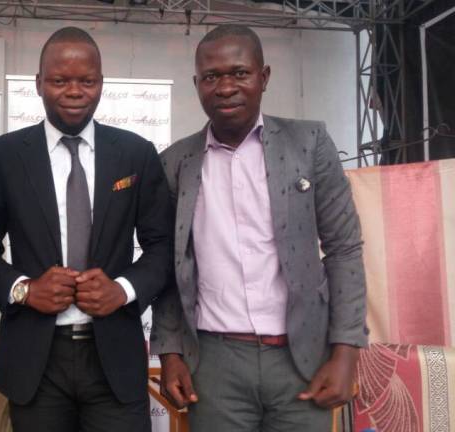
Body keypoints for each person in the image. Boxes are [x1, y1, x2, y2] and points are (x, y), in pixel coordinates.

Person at [150, 24, 368, 431]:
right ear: (197, 85)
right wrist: (170, 352)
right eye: (211, 77)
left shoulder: (309, 143)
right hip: (214, 363)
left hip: (302, 361)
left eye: (239, 73)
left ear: (263, 77)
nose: (225, 87)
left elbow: (344, 249)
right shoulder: (175, 162)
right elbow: (169, 265)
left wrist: (346, 350)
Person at [0, 26, 172, 432]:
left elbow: (162, 246)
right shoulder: (4, 156)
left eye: (87, 81)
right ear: (38, 83)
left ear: (101, 83)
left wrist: (123, 289)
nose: (74, 91)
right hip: (35, 363)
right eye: (59, 80)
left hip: (114, 359)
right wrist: (24, 289)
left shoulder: (136, 153)